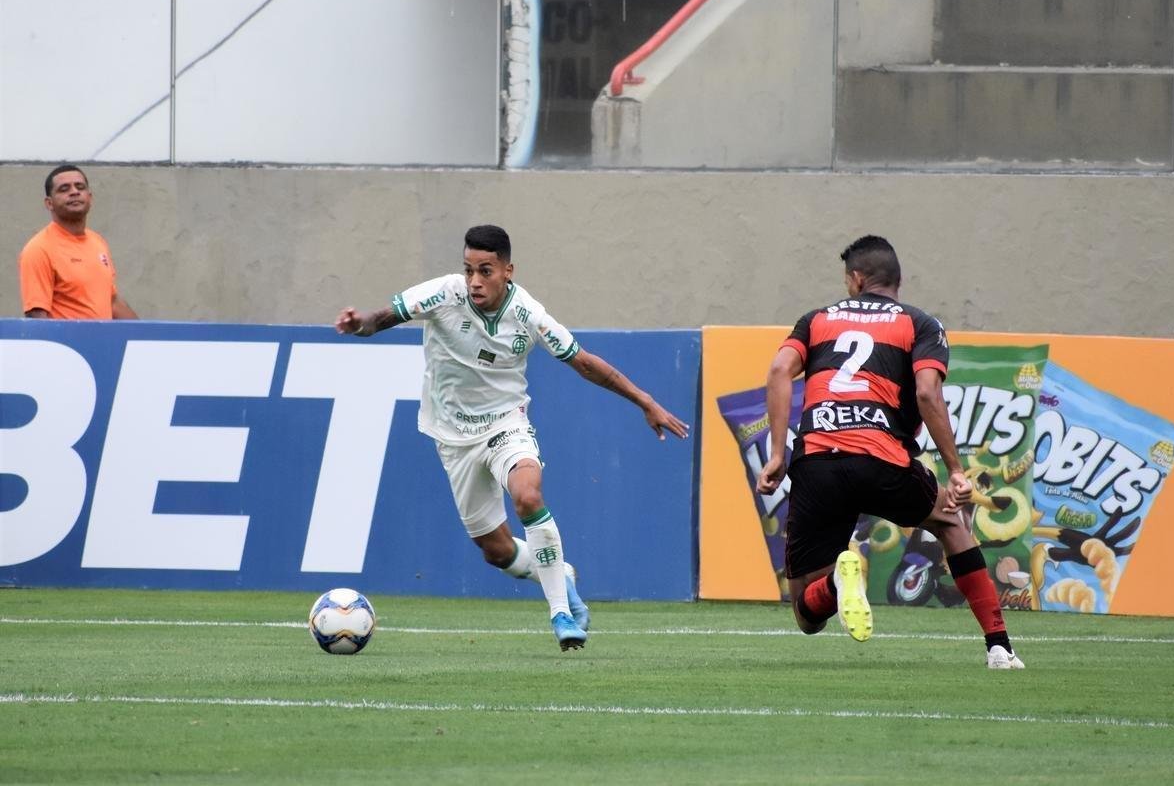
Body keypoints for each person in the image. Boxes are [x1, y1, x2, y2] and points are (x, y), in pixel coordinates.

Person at [335, 224, 689, 651]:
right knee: (497, 552)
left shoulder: (528, 315)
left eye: (485, 271)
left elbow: (584, 363)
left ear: (507, 271)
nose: (474, 281)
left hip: (506, 425)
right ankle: (560, 575)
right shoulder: (443, 294)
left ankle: (560, 612)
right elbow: (381, 319)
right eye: (468, 270)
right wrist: (358, 324)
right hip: (453, 438)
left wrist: (645, 401)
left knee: (527, 495)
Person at [755, 235, 1024, 670]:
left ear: (857, 279)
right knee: (950, 520)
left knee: (807, 615)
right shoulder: (920, 324)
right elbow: (927, 392)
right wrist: (955, 469)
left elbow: (778, 370)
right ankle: (999, 646)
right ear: (896, 279)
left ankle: (837, 584)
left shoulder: (815, 320)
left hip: (818, 461)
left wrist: (775, 454)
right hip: (881, 459)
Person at [19, 164, 138, 320]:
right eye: (64, 189)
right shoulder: (39, 249)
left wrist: (146, 333)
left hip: (103, 337)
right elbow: (36, 315)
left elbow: (112, 301)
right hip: (65, 337)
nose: (74, 192)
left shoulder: (98, 242)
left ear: (90, 197)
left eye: (80, 187)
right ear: (49, 203)